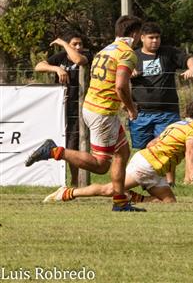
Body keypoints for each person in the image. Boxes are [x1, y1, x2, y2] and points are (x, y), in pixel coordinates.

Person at [25, 15, 145, 212]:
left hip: (96, 106)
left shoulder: (106, 50)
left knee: (122, 152)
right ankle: (54, 151)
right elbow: (121, 86)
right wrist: (131, 108)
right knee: (100, 165)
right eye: (140, 34)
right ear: (134, 34)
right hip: (103, 112)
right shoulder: (127, 54)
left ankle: (120, 202)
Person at [42, 100, 193, 204]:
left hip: (150, 164)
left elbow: (152, 142)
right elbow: (190, 149)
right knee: (110, 190)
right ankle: (67, 193)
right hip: (149, 166)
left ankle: (135, 198)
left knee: (169, 202)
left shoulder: (176, 125)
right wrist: (191, 167)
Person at [129, 22, 193, 186]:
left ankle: (169, 182)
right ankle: (146, 181)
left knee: (168, 148)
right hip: (141, 112)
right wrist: (128, 73)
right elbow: (118, 75)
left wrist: (192, 69)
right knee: (143, 149)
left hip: (167, 111)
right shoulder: (133, 56)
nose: (155, 41)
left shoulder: (168, 53)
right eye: (151, 38)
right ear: (142, 38)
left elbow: (190, 59)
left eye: (157, 37)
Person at [34, 32, 91, 187]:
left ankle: (75, 181)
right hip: (60, 108)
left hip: (78, 108)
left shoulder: (87, 56)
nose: (79, 47)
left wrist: (64, 44)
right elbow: (38, 66)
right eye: (74, 44)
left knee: (74, 145)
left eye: (80, 44)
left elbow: (78, 60)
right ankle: (56, 179)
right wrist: (57, 69)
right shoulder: (60, 58)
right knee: (58, 142)